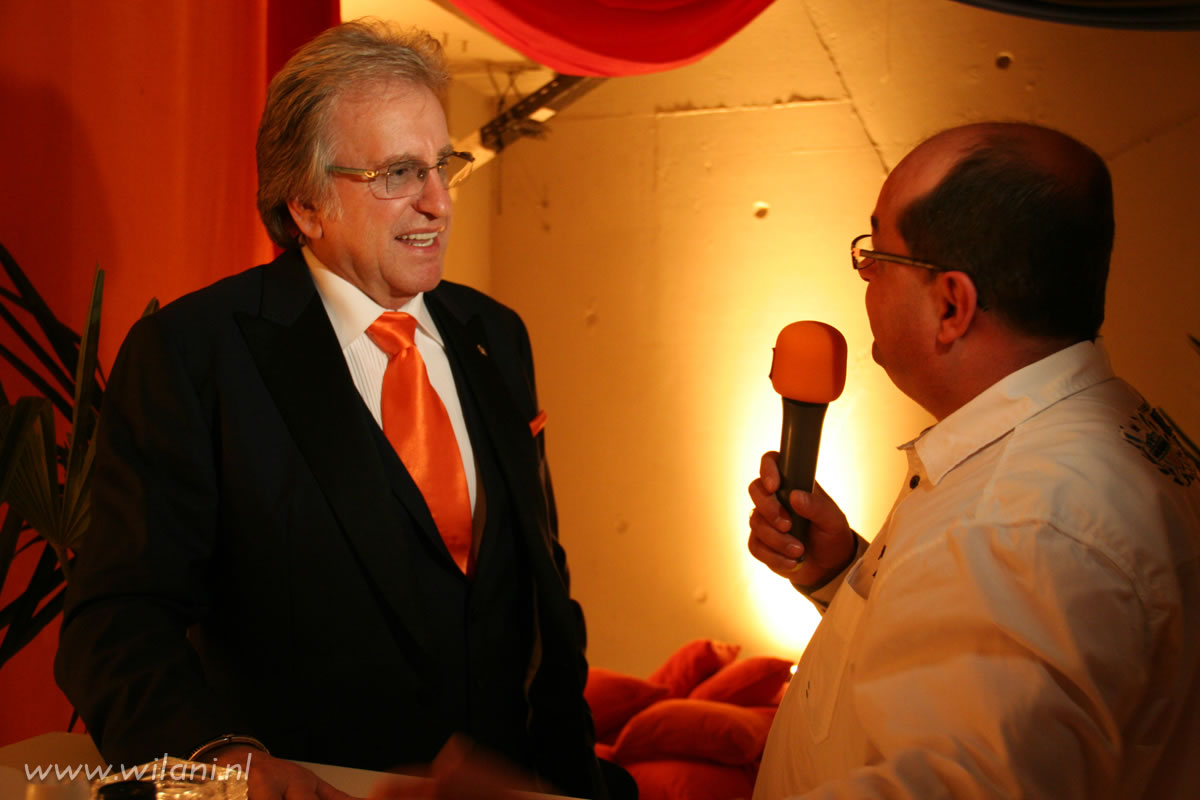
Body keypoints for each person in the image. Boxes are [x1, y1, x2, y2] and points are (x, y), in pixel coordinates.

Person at [55, 20, 618, 800]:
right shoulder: (193, 353)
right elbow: (118, 616)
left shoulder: (496, 334)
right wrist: (218, 758)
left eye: (441, 165)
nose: (438, 202)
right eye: (398, 173)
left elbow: (542, 593)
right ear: (307, 204)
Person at [746, 122, 1200, 798]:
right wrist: (841, 574)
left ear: (952, 305)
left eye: (877, 253)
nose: (864, 274)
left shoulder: (1026, 523)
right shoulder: (1067, 441)